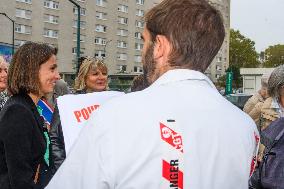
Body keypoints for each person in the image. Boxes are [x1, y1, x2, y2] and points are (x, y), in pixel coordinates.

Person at [46, 0, 259, 188]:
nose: (142, 52)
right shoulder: (246, 125)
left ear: (160, 46)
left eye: (144, 41)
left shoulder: (116, 116)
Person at [0, 42, 60, 189]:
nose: (57, 76)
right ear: (32, 71)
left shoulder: (27, 106)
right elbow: (21, 180)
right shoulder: (17, 112)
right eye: (52, 69)